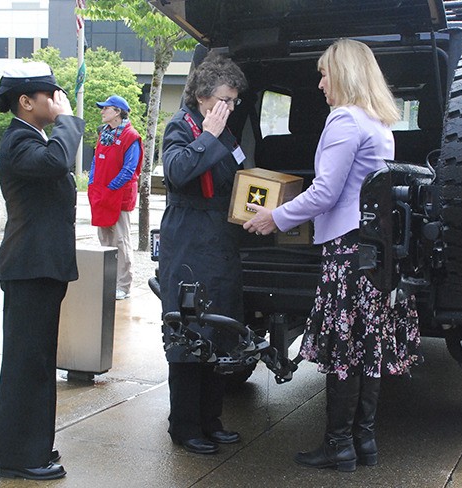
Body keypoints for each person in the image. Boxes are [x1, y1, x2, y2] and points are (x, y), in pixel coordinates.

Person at [243, 39, 422, 471]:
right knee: (368, 347)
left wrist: (276, 217)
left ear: (343, 74)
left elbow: (325, 192)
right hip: (375, 252)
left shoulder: (344, 119)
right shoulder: (380, 124)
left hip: (346, 249)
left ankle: (338, 444)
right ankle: (364, 442)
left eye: (324, 74)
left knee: (346, 348)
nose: (320, 83)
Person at [0, 62, 85, 480]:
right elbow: (58, 161)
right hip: (29, 268)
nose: (58, 102)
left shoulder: (32, 139)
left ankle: (33, 447)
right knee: (27, 364)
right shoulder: (19, 142)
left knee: (39, 361)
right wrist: (67, 121)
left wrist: (60, 121)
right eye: (51, 95)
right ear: (26, 102)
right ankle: (19, 456)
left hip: (39, 268)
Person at [158, 51, 248, 455]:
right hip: (189, 238)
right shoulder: (181, 126)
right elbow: (177, 172)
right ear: (203, 95)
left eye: (233, 101)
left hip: (220, 240)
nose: (229, 107)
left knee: (219, 331)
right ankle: (185, 425)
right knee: (188, 333)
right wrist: (207, 137)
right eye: (225, 99)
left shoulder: (225, 130)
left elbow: (240, 174)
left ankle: (212, 420)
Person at [88, 95, 144, 300]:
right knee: (105, 239)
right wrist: (93, 184)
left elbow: (129, 169)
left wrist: (110, 188)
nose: (102, 111)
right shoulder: (104, 134)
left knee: (121, 240)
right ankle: (109, 282)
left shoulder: (131, 137)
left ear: (118, 112)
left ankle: (123, 285)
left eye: (106, 108)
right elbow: (95, 161)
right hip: (102, 195)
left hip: (118, 197)